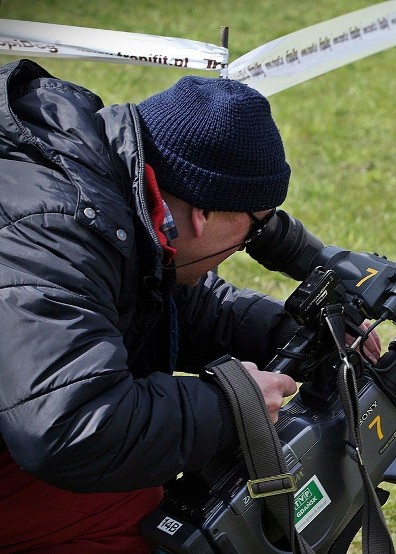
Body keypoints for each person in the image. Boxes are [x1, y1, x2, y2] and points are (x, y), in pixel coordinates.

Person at [0, 59, 367, 553]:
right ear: (201, 214)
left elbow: (167, 305)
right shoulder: (55, 228)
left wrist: (289, 330)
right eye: (253, 230)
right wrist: (230, 403)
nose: (247, 246)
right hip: (45, 429)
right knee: (136, 514)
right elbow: (72, 426)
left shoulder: (105, 189)